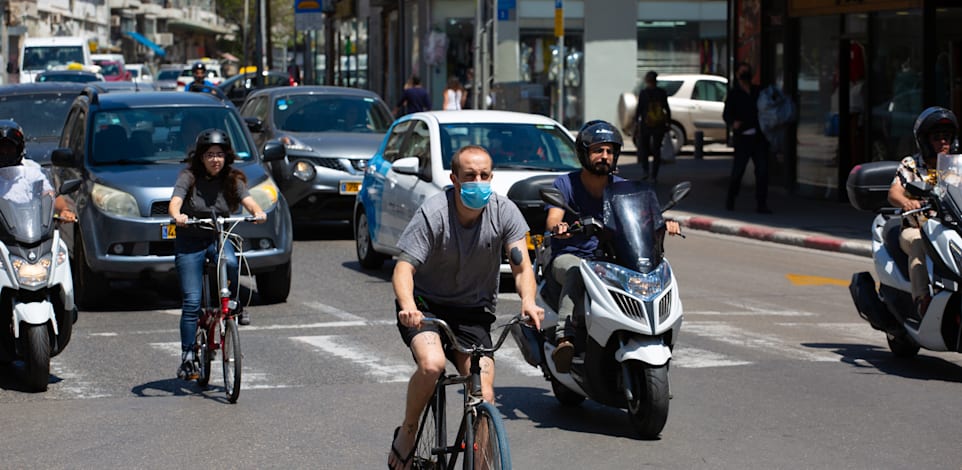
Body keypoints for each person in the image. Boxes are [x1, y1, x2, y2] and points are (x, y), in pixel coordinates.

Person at [387, 145, 544, 470]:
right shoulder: (434, 213)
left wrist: (528, 301)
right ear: (454, 179)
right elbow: (403, 269)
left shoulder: (505, 212)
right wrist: (407, 306)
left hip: (473, 311)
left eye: (484, 175)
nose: (478, 182)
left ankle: (481, 464)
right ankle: (409, 430)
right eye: (470, 175)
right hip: (426, 306)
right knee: (431, 365)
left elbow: (522, 266)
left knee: (484, 394)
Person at [545, 120, 681, 372]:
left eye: (610, 151)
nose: (604, 156)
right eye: (598, 150)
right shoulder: (565, 184)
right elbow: (554, 217)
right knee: (577, 274)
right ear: (584, 153)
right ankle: (565, 338)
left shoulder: (622, 186)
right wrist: (560, 227)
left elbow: (644, 217)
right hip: (572, 255)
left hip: (610, 257)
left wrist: (665, 223)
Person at [168, 129, 267, 379]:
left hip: (217, 237)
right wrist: (177, 216)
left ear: (227, 157)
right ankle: (188, 356)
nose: (215, 160)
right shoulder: (188, 177)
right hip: (190, 241)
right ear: (201, 157)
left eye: (220, 155)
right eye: (210, 154)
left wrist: (258, 212)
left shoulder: (233, 179)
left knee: (233, 263)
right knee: (192, 302)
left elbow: (249, 200)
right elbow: (175, 201)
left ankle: (231, 305)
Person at [887, 106, 958, 319]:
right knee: (919, 243)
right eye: (937, 137)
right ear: (925, 141)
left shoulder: (957, 166)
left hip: (950, 227)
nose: (943, 142)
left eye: (947, 136)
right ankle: (922, 300)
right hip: (917, 228)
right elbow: (894, 192)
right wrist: (907, 203)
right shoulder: (911, 164)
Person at [0, 120, 75, 222]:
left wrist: (64, 210)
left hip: (31, 229)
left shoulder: (32, 170)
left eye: (10, 148)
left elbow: (49, 194)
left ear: (19, 148)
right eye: (1, 148)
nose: (5, 152)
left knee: (60, 239)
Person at [723, 62, 771, 214]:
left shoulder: (758, 91)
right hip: (743, 138)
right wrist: (733, 123)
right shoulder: (734, 93)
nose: (745, 75)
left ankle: (761, 204)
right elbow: (726, 114)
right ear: (737, 74)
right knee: (738, 171)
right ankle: (730, 199)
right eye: (743, 72)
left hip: (758, 137)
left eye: (748, 72)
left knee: (762, 171)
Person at [633, 70, 671, 183]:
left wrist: (636, 123)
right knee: (657, 149)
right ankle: (654, 175)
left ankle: (645, 171)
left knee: (644, 148)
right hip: (659, 125)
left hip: (646, 124)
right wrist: (668, 122)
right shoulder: (662, 92)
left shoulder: (644, 93)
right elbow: (667, 109)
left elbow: (639, 110)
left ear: (647, 80)